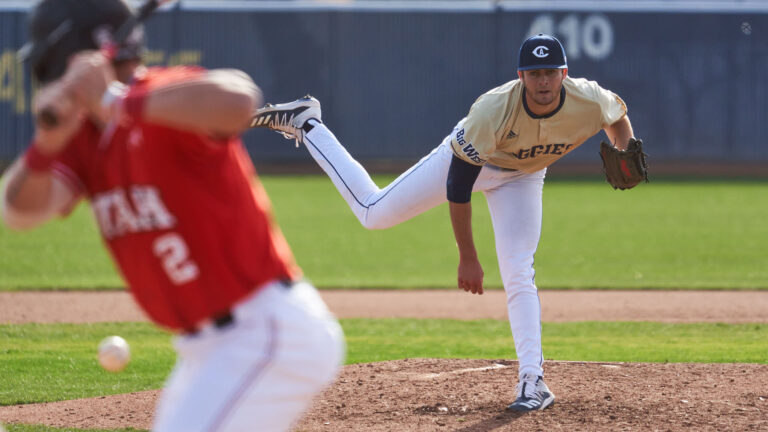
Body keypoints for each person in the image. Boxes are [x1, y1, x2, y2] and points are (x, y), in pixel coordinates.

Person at [0, 0, 344, 431]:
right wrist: (46, 143)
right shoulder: (82, 138)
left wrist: (113, 100)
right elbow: (19, 212)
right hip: (204, 351)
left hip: (264, 330)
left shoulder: (166, 99)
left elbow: (238, 100)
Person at [251, 33, 636, 412]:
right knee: (373, 213)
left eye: (550, 72)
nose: (544, 81)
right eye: (534, 73)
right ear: (521, 76)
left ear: (564, 73)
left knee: (519, 269)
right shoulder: (492, 111)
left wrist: (624, 150)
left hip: (524, 175)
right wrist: (467, 256)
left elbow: (617, 117)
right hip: (470, 163)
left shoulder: (590, 98)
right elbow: (459, 186)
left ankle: (532, 380)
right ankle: (308, 124)